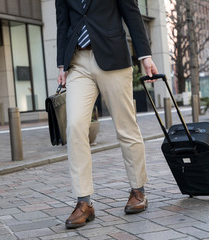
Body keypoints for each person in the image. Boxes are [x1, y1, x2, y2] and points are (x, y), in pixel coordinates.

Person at [55, 0, 159, 229]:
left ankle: (138, 190)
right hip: (77, 61)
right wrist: (61, 64)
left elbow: (131, 13)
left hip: (113, 57)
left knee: (126, 126)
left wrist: (145, 55)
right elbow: (62, 22)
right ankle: (84, 201)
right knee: (74, 127)